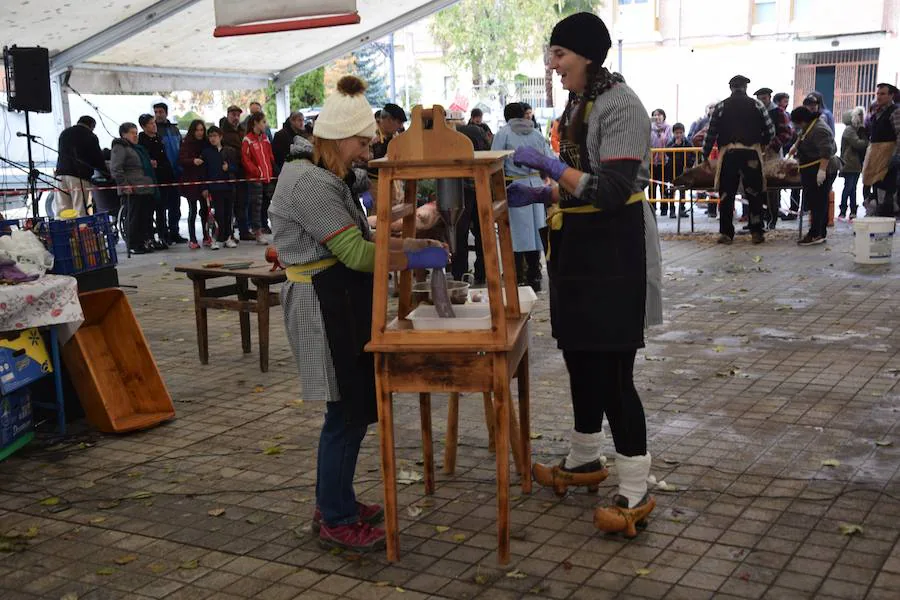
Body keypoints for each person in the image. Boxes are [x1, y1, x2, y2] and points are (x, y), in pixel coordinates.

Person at [269, 75, 448, 553]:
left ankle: (334, 499)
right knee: (344, 412)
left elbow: (366, 239)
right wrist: (412, 257)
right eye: (364, 143)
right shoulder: (309, 183)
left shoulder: (329, 174)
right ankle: (336, 516)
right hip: (322, 302)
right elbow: (355, 253)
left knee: (350, 409)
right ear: (339, 139)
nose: (368, 151)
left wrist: (411, 239)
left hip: (338, 297)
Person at [507, 12, 662, 537]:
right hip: (577, 246)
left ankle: (636, 486)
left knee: (614, 370)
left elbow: (612, 190)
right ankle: (584, 458)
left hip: (614, 251)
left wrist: (553, 171)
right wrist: (545, 193)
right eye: (551, 54)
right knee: (579, 357)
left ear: (588, 55)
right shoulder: (579, 101)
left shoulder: (619, 104)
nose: (552, 65)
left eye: (560, 55)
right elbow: (580, 184)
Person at [703, 75, 775, 245]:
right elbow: (770, 131)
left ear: (731, 88)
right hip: (751, 154)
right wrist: (761, 144)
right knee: (754, 193)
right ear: (746, 88)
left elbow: (711, 133)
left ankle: (726, 233)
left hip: (729, 154)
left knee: (726, 194)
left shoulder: (720, 107)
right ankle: (757, 232)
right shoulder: (757, 105)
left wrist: (704, 154)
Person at [492, 102, 551, 291]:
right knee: (536, 232)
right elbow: (549, 159)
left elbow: (494, 161)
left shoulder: (504, 134)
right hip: (537, 186)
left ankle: (517, 275)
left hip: (516, 186)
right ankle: (535, 275)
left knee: (516, 234)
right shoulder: (536, 133)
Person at [791, 106, 839, 246]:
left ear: (803, 121)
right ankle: (818, 232)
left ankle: (816, 233)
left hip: (820, 168)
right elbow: (802, 136)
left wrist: (822, 171)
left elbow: (826, 151)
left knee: (819, 202)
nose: (796, 126)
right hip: (809, 168)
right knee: (814, 201)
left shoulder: (819, 129)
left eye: (797, 123)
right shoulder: (809, 126)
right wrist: (795, 147)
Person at [451, 119, 491, 283]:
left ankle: (459, 274)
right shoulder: (479, 134)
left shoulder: (455, 135)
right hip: (481, 187)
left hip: (459, 189)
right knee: (483, 232)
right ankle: (483, 273)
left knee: (460, 234)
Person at [110, 122, 158, 255]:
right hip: (132, 188)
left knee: (144, 217)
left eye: (136, 132)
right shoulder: (120, 147)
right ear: (124, 134)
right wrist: (124, 184)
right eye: (132, 133)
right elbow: (116, 169)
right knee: (133, 218)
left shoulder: (136, 148)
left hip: (144, 188)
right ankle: (133, 244)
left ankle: (143, 241)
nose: (135, 135)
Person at [55, 115, 106, 216]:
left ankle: (64, 230)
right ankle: (81, 231)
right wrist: (106, 173)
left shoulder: (65, 133)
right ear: (91, 126)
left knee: (63, 209)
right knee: (80, 209)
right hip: (78, 177)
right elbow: (97, 158)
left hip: (60, 175)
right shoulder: (90, 136)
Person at [757, 88, 794, 228]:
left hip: (773, 153)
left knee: (773, 186)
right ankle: (758, 219)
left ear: (769, 98)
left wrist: (773, 144)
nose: (762, 101)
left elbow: (786, 133)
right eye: (760, 98)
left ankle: (772, 218)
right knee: (758, 186)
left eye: (764, 98)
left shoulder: (777, 112)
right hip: (758, 151)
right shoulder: (756, 111)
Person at [863, 83, 899, 218]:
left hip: (889, 154)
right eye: (877, 93)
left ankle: (886, 217)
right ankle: (877, 213)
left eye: (883, 94)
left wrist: (896, 155)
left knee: (887, 188)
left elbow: (899, 133)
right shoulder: (877, 111)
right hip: (875, 153)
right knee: (874, 185)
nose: (879, 96)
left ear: (891, 95)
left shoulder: (895, 111)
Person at [138, 114, 173, 250]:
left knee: (162, 210)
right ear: (144, 126)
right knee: (149, 210)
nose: (154, 125)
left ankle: (163, 235)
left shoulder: (159, 138)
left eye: (154, 123)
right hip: (151, 179)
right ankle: (150, 237)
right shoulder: (142, 141)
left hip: (164, 177)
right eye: (151, 123)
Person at [201, 126, 239, 249]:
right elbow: (204, 171)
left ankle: (228, 237)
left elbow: (236, 168)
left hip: (228, 187)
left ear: (220, 137)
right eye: (210, 136)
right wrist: (205, 187)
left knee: (228, 214)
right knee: (217, 215)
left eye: (215, 136)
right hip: (214, 189)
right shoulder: (206, 153)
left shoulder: (229, 151)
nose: (212, 139)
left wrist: (229, 169)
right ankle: (215, 238)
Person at [153, 102, 186, 243]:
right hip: (162, 174)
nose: (158, 114)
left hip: (176, 173)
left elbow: (181, 148)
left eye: (161, 112)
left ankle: (174, 232)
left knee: (175, 206)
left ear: (166, 113)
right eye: (156, 112)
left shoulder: (174, 130)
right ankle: (163, 234)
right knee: (161, 207)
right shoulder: (154, 130)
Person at [220, 105, 254, 241]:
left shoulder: (243, 131)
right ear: (228, 115)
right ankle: (229, 233)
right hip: (229, 172)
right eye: (233, 115)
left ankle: (244, 231)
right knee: (230, 204)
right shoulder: (223, 132)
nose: (235, 117)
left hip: (242, 171)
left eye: (237, 115)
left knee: (243, 203)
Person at [242, 112, 276, 244]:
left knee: (267, 205)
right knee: (256, 205)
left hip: (267, 177)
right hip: (255, 179)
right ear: (255, 123)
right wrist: (256, 172)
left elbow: (270, 156)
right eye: (263, 122)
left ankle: (264, 227)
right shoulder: (247, 139)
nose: (265, 124)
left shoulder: (266, 138)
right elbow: (246, 159)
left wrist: (271, 170)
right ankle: (257, 232)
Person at [178, 120, 210, 248]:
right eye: (197, 130)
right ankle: (193, 238)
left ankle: (207, 236)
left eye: (202, 130)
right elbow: (181, 160)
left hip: (203, 180)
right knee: (193, 210)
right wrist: (192, 161)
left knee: (205, 210)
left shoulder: (206, 144)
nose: (200, 132)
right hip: (191, 181)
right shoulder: (186, 144)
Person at [838, 107, 869, 220]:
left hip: (854, 164)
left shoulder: (854, 130)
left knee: (852, 188)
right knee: (849, 187)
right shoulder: (850, 130)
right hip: (849, 163)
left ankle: (853, 211)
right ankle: (843, 210)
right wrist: (867, 140)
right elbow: (858, 144)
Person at [665, 123, 693, 218]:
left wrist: (689, 165)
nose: (679, 135)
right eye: (677, 133)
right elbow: (667, 153)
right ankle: (672, 210)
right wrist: (675, 146)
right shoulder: (671, 142)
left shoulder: (687, 142)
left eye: (681, 133)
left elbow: (693, 153)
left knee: (683, 191)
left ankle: (682, 209)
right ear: (673, 133)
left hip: (683, 170)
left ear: (684, 133)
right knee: (672, 190)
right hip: (672, 169)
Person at [649, 108, 673, 216]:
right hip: (652, 161)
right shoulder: (649, 129)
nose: (658, 117)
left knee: (664, 186)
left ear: (664, 116)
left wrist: (664, 139)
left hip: (665, 162)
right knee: (652, 186)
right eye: (655, 115)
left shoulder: (668, 128)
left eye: (660, 115)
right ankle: (652, 207)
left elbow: (670, 142)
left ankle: (664, 208)